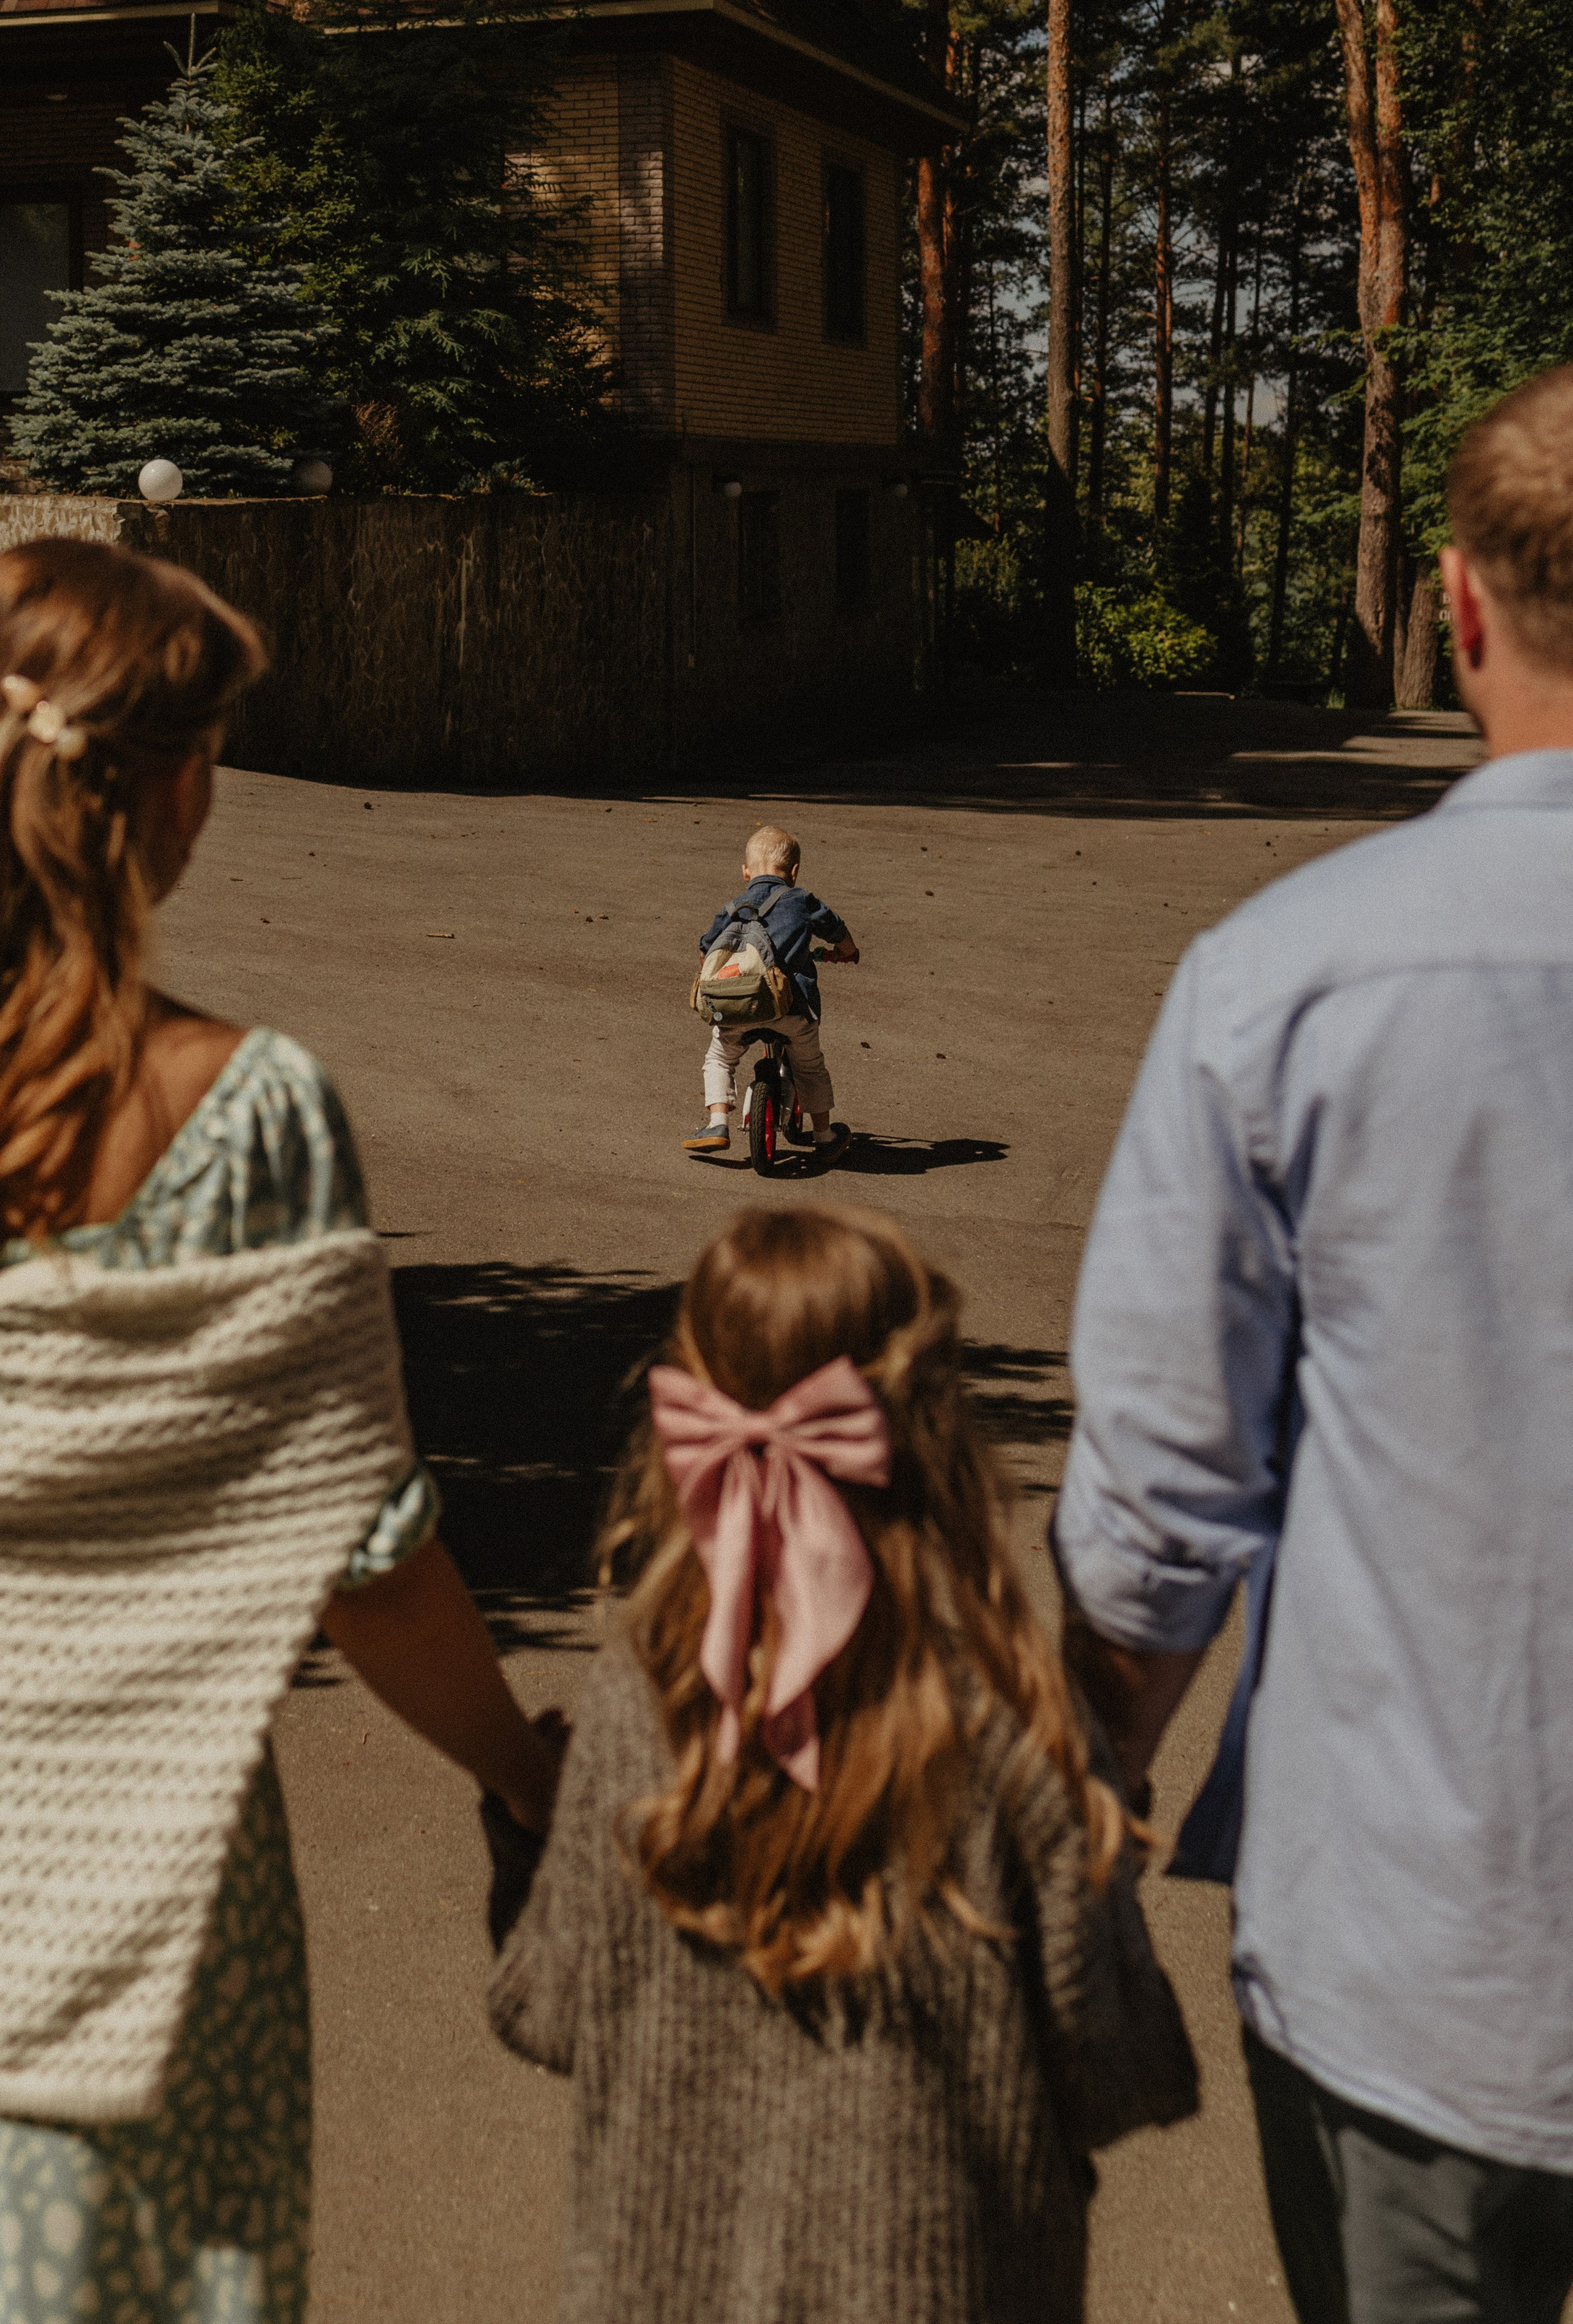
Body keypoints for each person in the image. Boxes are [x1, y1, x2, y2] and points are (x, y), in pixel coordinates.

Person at [0, 536, 561, 2324]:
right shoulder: (241, 1111)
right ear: (168, 787)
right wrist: (523, 1773)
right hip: (130, 1927)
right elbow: (363, 1556)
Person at [1053, 358, 1573, 2324]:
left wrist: (1087, 1805)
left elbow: (1161, 1507)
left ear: (1456, 605)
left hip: (1423, 1950)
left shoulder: (1289, 983)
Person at [487, 1203, 1197, 2324]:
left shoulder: (648, 1696)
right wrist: (1110, 1821)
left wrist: (522, 1831)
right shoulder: (1015, 1717)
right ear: (935, 1429)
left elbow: (549, 2006)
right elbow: (1117, 2067)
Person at [682, 822, 859, 1162]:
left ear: (746, 872)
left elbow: (706, 949)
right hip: (793, 1009)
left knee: (719, 1058)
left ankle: (717, 1122)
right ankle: (824, 1137)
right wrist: (847, 951)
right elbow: (836, 928)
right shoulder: (801, 900)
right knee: (810, 1068)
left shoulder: (731, 907)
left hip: (739, 1007)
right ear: (794, 872)